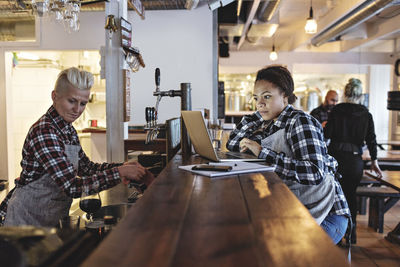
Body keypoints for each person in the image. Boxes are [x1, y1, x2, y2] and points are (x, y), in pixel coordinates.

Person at [0, 67, 154, 227]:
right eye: (72, 101)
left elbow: (86, 168)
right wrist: (119, 172)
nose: (77, 110)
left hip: (50, 219)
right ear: (55, 96)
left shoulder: (67, 129)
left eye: (83, 103)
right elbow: (72, 187)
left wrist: (123, 166)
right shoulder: (45, 132)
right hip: (26, 220)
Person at [226, 65, 350, 244]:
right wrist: (258, 114)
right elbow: (233, 144)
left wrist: (262, 152)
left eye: (267, 96)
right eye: (256, 98)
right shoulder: (268, 123)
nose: (259, 103)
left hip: (325, 214)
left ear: (285, 96)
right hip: (297, 208)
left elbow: (315, 172)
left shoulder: (300, 122)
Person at [324, 78, 382, 244]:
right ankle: (351, 233)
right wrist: (375, 160)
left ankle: (335, 232)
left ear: (345, 93)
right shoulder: (366, 114)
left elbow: (326, 136)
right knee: (350, 196)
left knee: (334, 196)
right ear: (359, 95)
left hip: (336, 159)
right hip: (355, 161)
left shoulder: (336, 110)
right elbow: (372, 139)